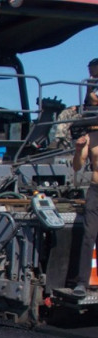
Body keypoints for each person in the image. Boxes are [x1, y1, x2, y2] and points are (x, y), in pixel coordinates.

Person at [71, 58, 98, 298]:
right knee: (89, 236)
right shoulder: (90, 137)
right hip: (95, 191)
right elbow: (77, 167)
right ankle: (82, 282)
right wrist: (80, 150)